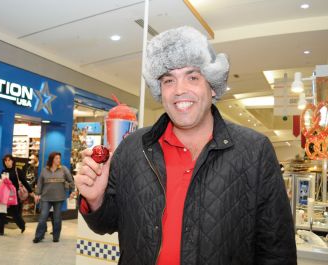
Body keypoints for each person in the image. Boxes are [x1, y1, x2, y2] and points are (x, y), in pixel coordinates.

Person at [74, 26, 297, 265]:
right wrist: (96, 200)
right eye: (169, 80)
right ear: (160, 90)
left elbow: (276, 251)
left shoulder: (254, 151)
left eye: (192, 77)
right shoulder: (132, 149)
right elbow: (106, 224)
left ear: (212, 86)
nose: (180, 90)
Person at [33, 152, 74, 243]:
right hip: (45, 197)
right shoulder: (45, 170)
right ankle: (38, 236)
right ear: (52, 159)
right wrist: (37, 194)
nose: (58, 160)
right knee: (43, 217)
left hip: (59, 198)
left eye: (59, 158)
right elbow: (40, 183)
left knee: (57, 218)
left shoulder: (64, 169)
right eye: (56, 158)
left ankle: (56, 237)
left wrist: (71, 190)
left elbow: (71, 181)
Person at [0, 154, 35, 236]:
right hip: (4, 195)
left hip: (13, 196)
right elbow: (0, 182)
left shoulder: (17, 171)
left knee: (14, 213)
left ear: (12, 161)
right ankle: (0, 230)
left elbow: (24, 182)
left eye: (9, 160)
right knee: (1, 212)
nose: (7, 162)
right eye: (5, 160)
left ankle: (22, 225)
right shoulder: (3, 171)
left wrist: (31, 192)